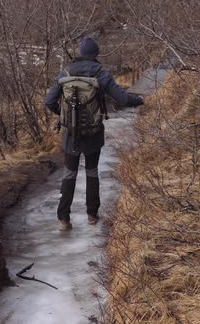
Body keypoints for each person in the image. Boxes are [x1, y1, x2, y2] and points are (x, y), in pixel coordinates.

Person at [44, 37, 144, 231]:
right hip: (93, 133)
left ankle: (63, 220)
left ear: (80, 53)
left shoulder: (65, 73)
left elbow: (49, 101)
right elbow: (122, 98)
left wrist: (64, 116)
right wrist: (139, 100)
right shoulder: (101, 73)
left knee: (69, 174)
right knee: (91, 172)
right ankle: (91, 215)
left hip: (70, 134)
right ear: (96, 54)